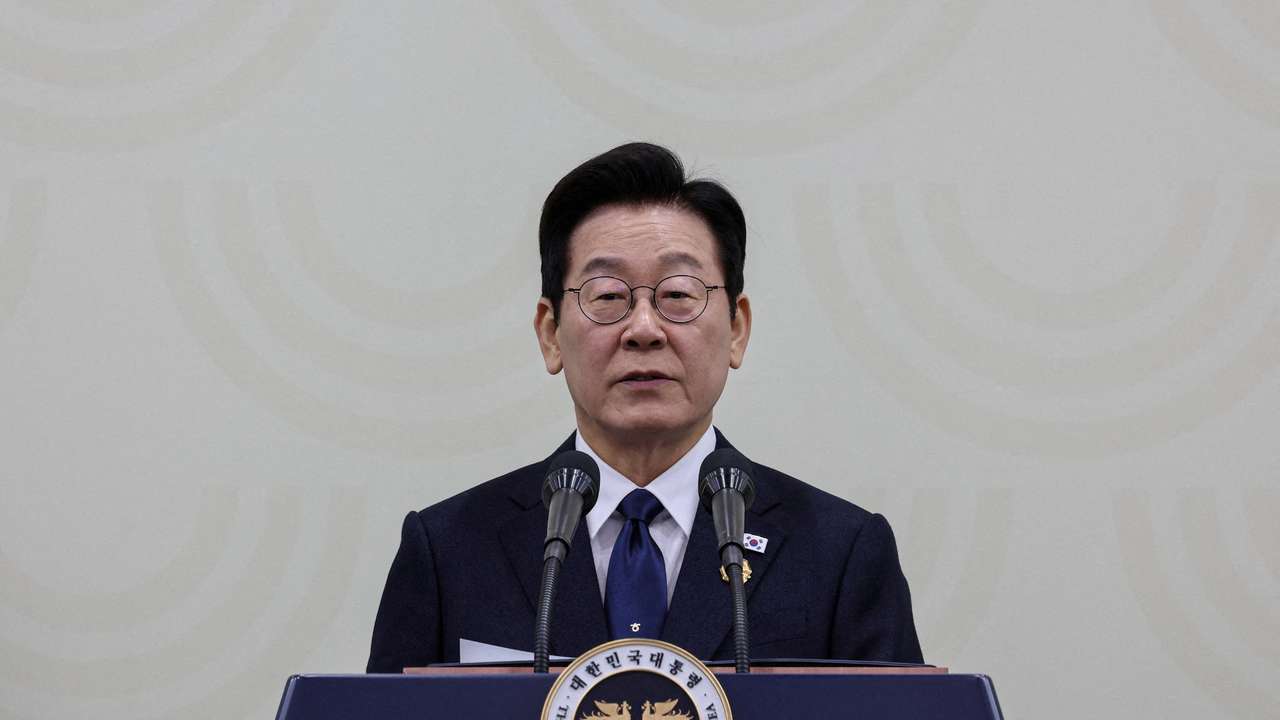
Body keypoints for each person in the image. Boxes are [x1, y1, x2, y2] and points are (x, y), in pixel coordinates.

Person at [366, 143, 922, 672]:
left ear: (736, 329)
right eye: (608, 296)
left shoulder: (840, 552)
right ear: (550, 334)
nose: (644, 329)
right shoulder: (449, 552)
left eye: (678, 294)